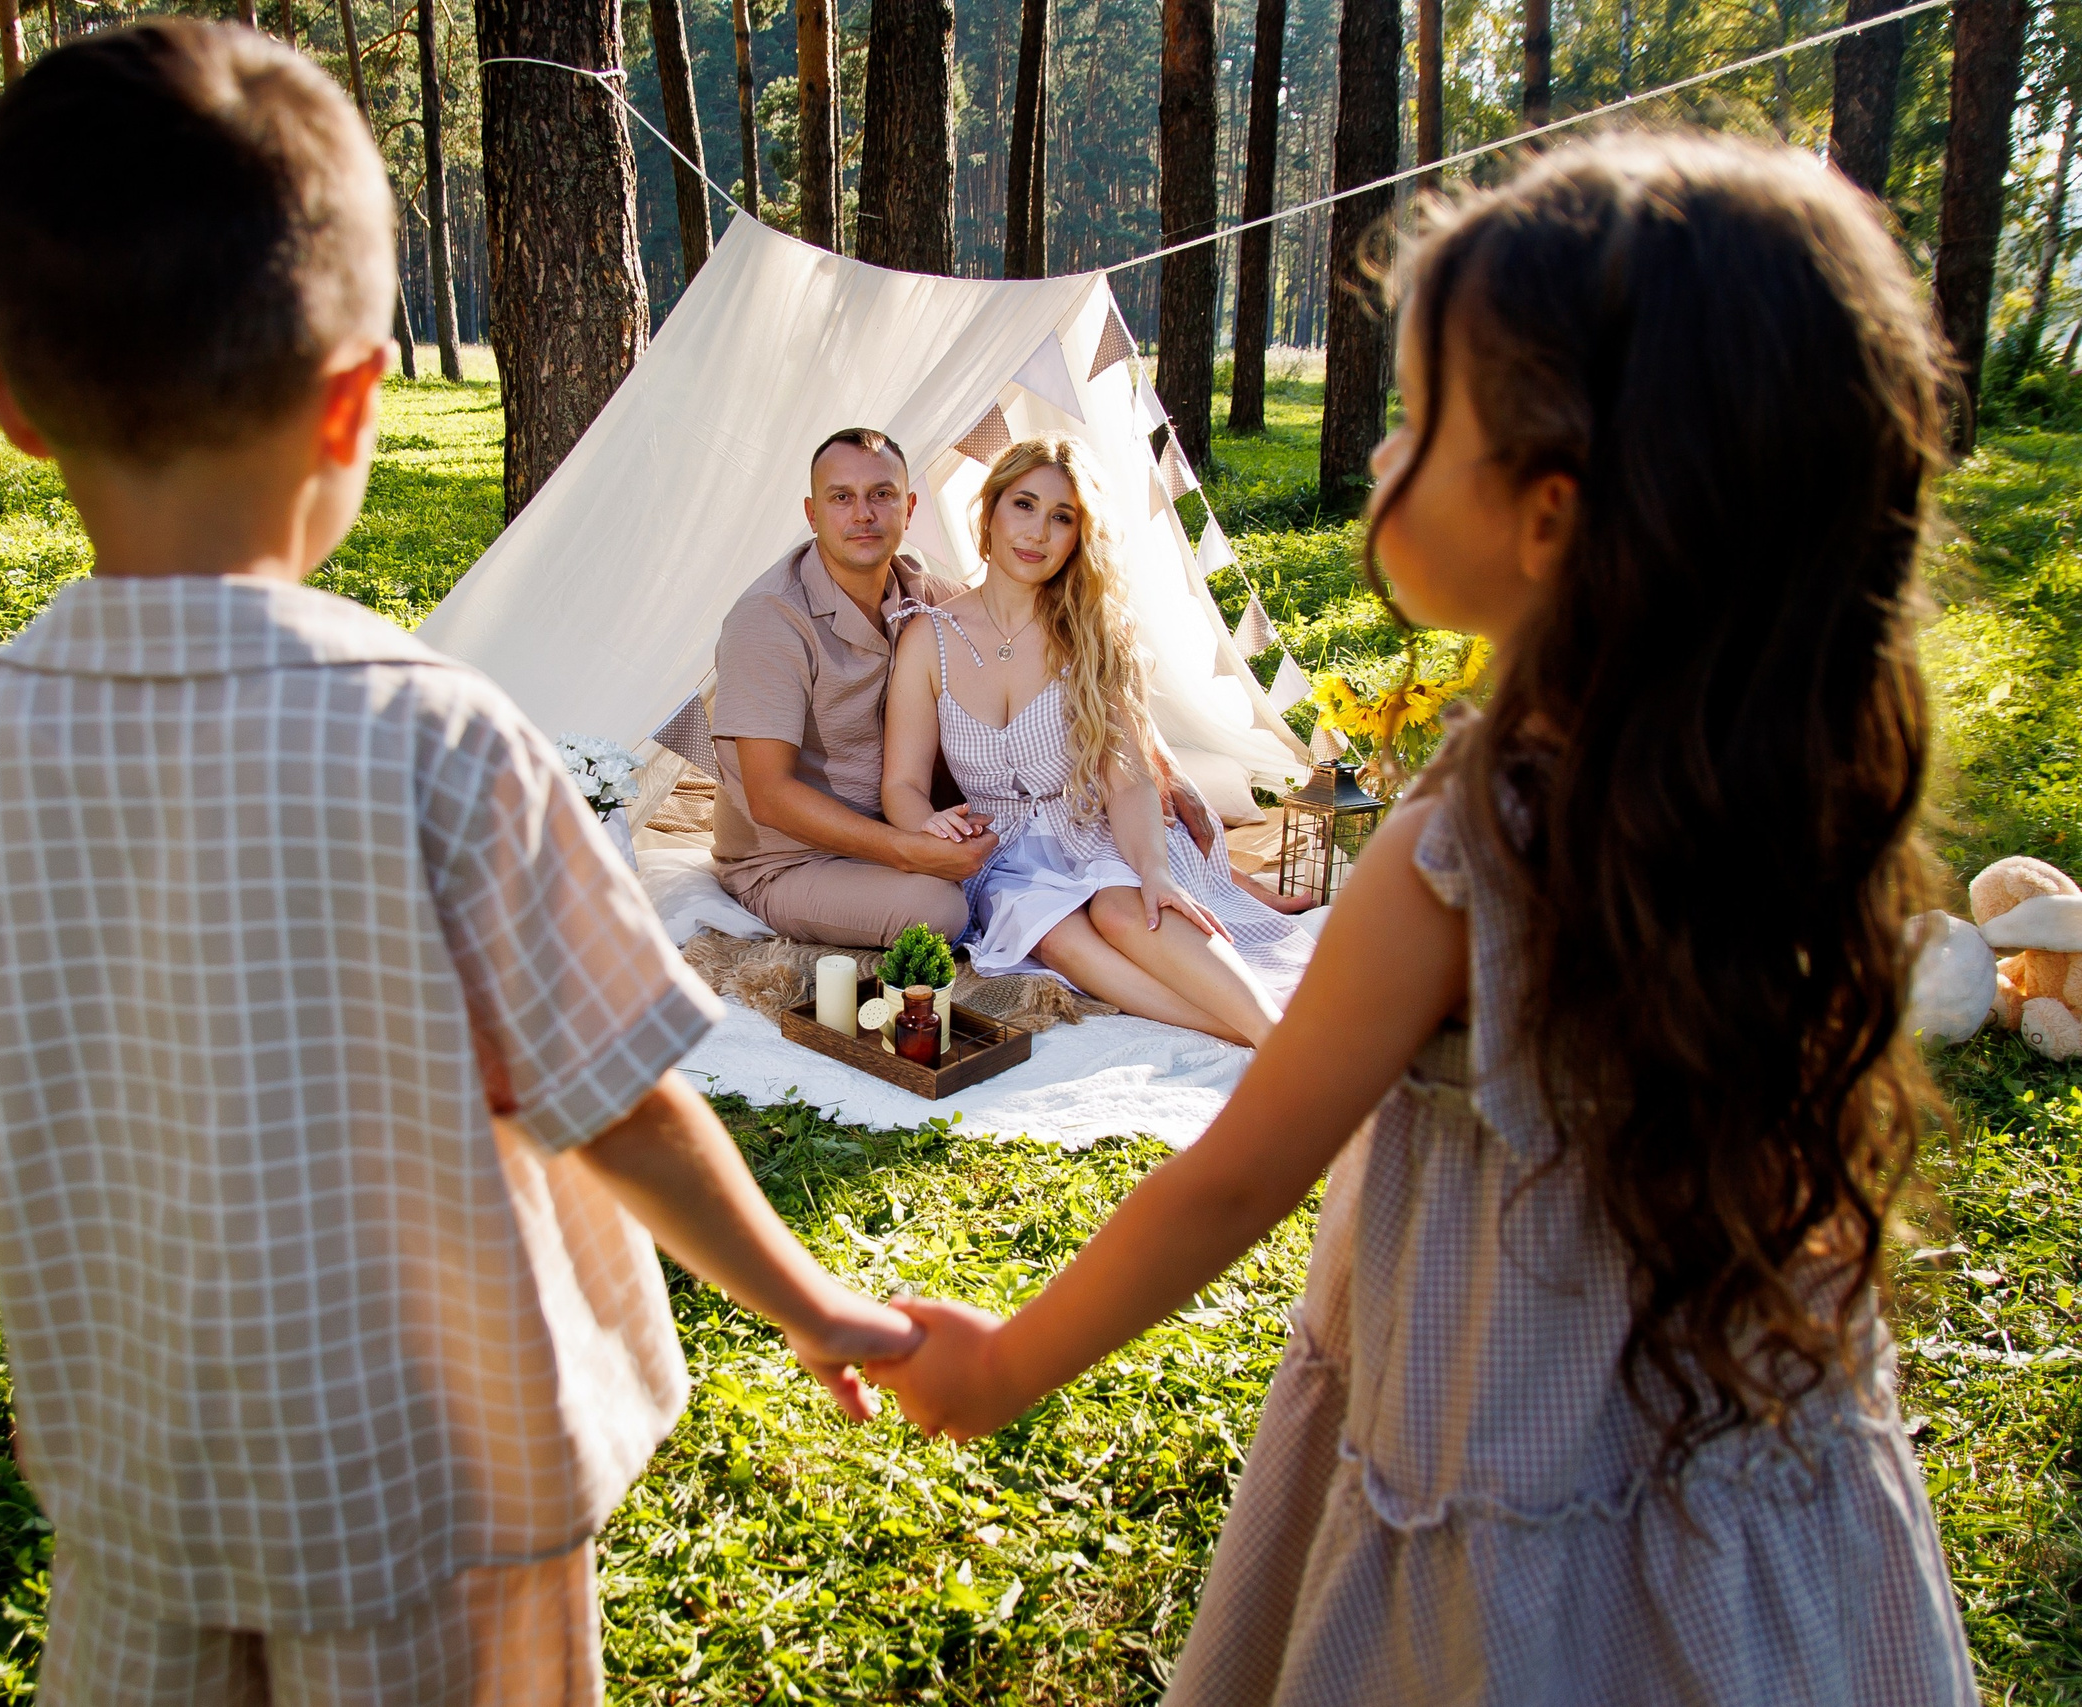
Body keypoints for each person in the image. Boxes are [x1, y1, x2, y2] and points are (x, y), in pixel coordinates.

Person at [0, 25, 916, 1704]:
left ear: (3, 393)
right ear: (357, 396)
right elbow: (621, 1098)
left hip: (141, 1479)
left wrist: (49, 1364)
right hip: (435, 1493)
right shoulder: (433, 738)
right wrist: (811, 1300)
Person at [869, 134, 1977, 1704]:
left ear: (1549, 516)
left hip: (1489, 1425)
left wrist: (994, 1363)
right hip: (1760, 1434)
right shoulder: (1786, 781)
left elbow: (1241, 1167)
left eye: (1410, 422)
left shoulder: (1472, 838)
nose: (1375, 459)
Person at [710, 428, 1222, 951]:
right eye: (841, 497)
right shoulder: (769, 620)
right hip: (789, 857)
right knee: (941, 910)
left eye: (881, 495)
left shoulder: (926, 599)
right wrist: (907, 851)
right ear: (812, 513)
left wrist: (1162, 763)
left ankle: (1205, 900)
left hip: (901, 833)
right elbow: (769, 797)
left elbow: (1074, 673)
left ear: (909, 509)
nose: (863, 513)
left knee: (1073, 853)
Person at [881, 437, 1316, 1048]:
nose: (1037, 533)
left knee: (1125, 910)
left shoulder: (1091, 635)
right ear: (990, 513)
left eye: (1062, 517)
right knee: (1054, 933)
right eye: (1024, 506)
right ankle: (1270, 1038)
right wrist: (926, 828)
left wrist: (1153, 872)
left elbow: (1129, 777)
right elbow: (900, 784)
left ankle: (1271, 1031)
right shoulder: (929, 637)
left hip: (1095, 826)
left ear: (1078, 536)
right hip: (996, 853)